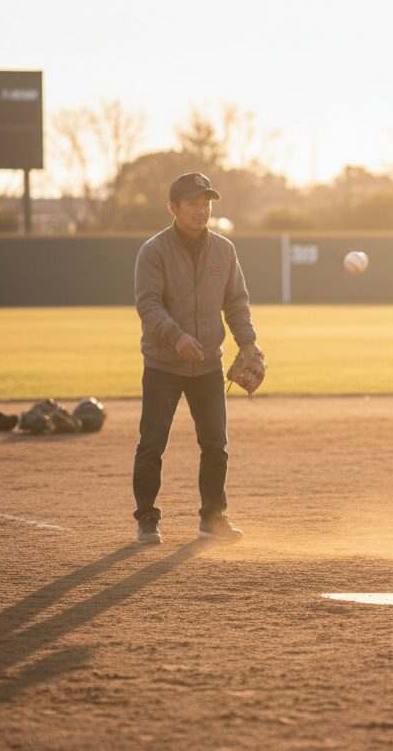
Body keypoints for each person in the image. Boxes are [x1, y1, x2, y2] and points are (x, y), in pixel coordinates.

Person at [132, 172, 258, 544]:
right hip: (163, 364)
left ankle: (212, 518)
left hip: (207, 365)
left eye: (206, 204)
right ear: (173, 207)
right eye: (193, 203)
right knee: (152, 443)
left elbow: (236, 303)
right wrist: (176, 336)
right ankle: (147, 519)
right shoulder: (154, 251)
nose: (201, 210)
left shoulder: (224, 250)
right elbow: (148, 304)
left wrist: (248, 344)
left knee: (215, 444)